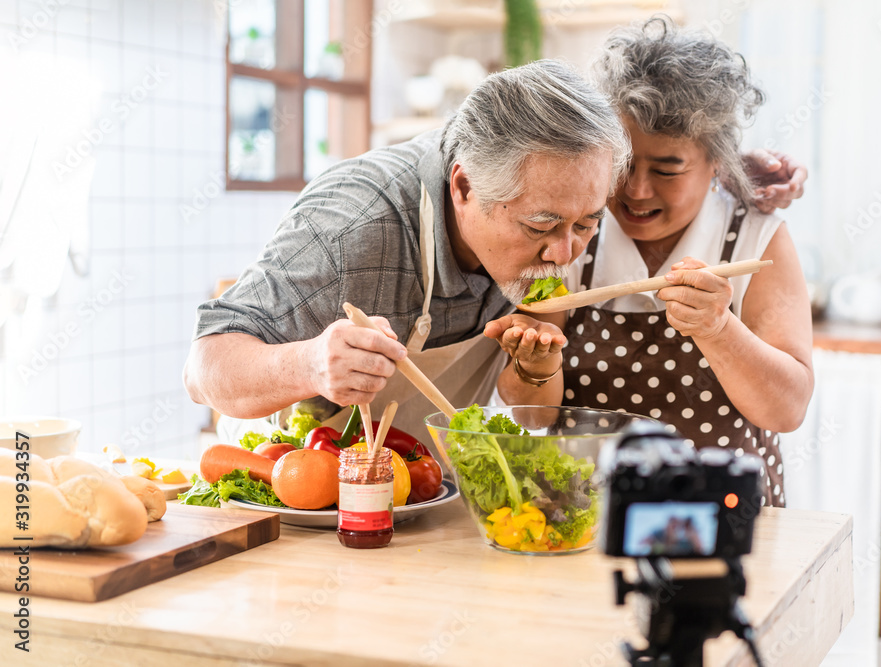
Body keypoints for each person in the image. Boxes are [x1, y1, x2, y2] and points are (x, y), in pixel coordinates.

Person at [184, 60, 631, 438]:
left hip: (426, 498)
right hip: (298, 496)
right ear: (464, 187)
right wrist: (310, 364)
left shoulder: (554, 235)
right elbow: (202, 371)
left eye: (589, 222)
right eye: (540, 226)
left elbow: (529, 415)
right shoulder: (353, 228)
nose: (565, 253)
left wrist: (535, 366)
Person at [484, 18, 814, 507]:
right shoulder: (573, 231)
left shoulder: (754, 237)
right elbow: (532, 417)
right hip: (582, 520)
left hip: (720, 519)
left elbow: (786, 411)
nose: (637, 191)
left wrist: (718, 329)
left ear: (718, 161)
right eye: (623, 164)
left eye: (667, 169)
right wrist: (535, 367)